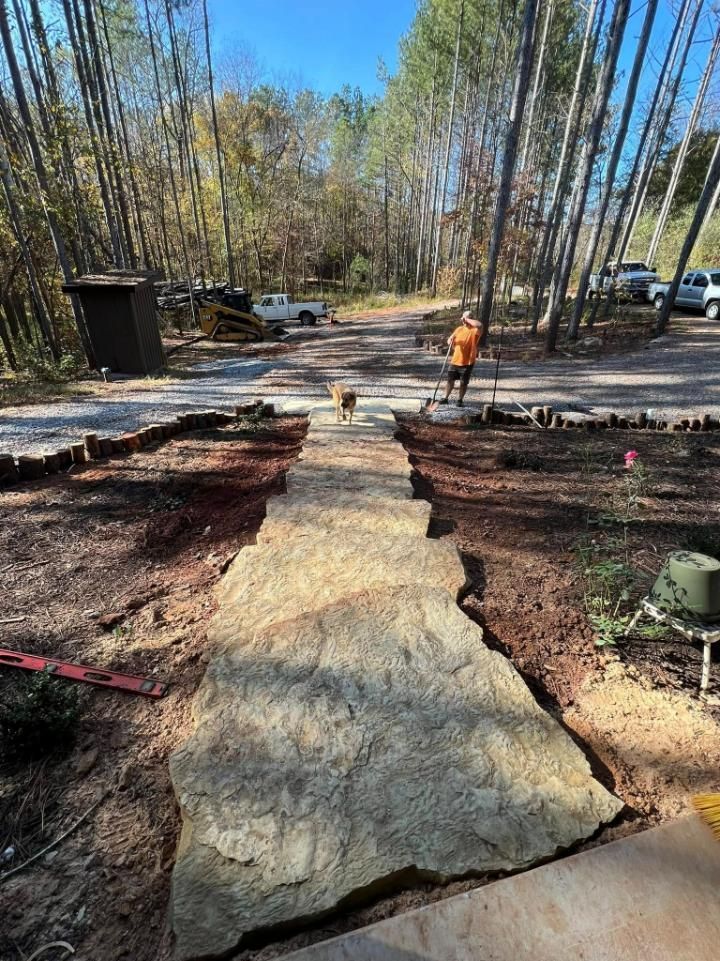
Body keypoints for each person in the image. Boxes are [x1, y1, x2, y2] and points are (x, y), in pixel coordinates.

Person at [438, 310, 484, 407]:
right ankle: (445, 398)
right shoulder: (459, 329)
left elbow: (480, 325)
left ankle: (460, 400)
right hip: (455, 360)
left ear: (471, 318)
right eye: (463, 318)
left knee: (463, 383)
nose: (463, 320)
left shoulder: (475, 330)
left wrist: (467, 319)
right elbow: (449, 339)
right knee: (450, 380)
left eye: (466, 318)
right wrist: (450, 340)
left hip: (467, 361)